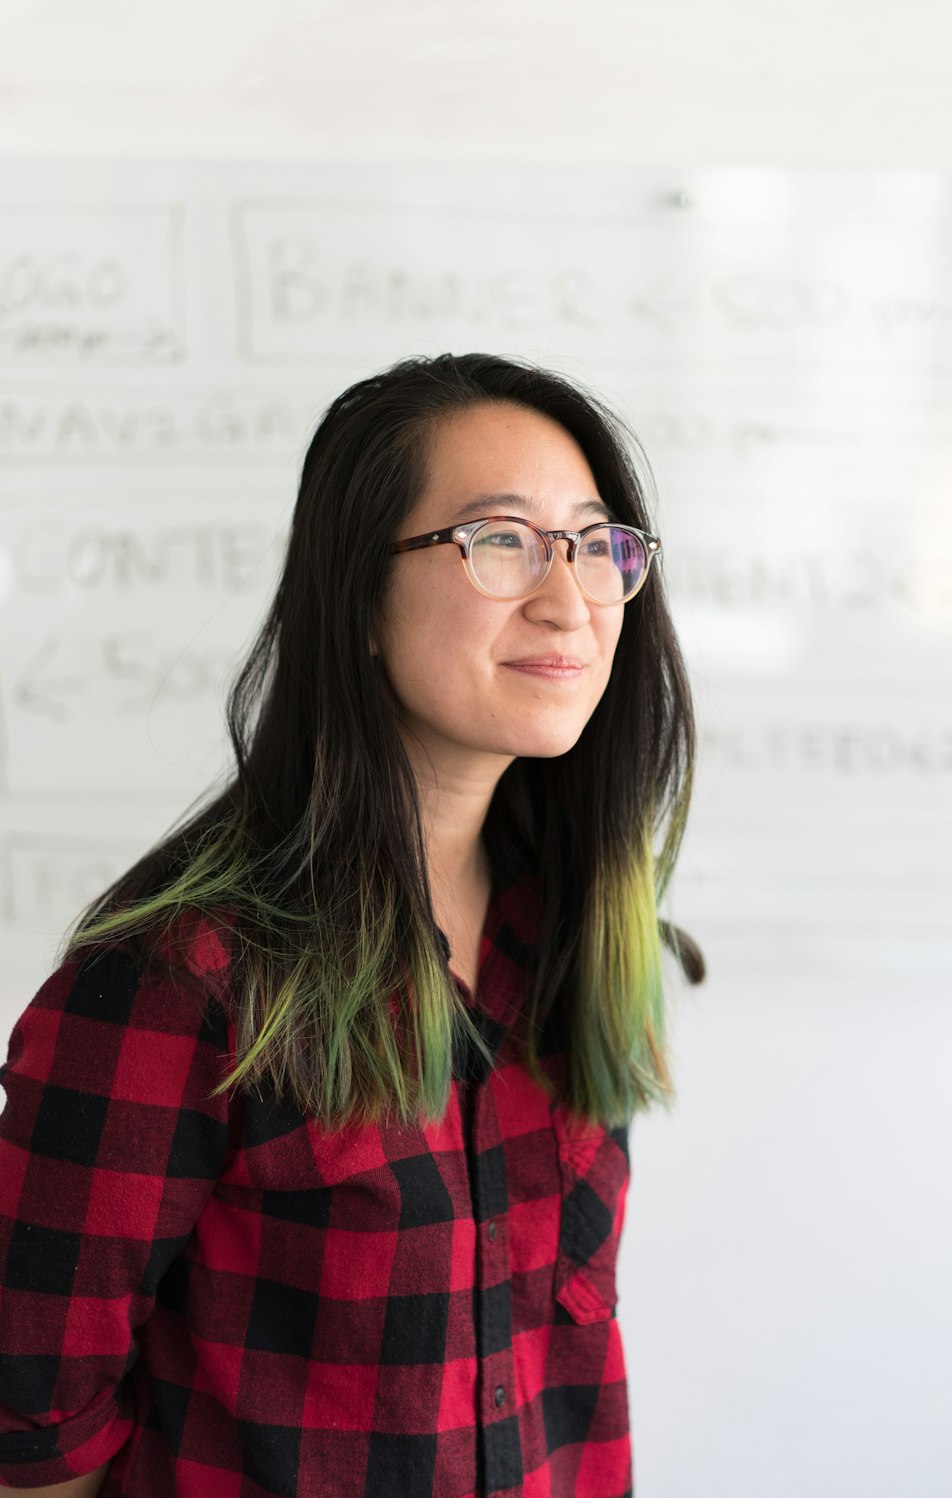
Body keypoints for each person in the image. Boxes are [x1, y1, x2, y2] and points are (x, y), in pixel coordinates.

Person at [0, 352, 705, 1498]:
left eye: (594, 544)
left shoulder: (566, 927)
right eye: (501, 540)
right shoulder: (177, 982)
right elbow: (31, 1435)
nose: (569, 599)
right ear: (358, 598)